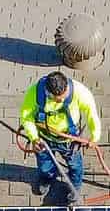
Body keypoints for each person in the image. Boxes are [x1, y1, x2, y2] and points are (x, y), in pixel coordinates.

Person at [16, 69, 102, 203]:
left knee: (75, 166)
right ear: (48, 92)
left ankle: (75, 185)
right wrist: (34, 137)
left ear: (67, 85)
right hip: (44, 139)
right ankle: (48, 178)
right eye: (58, 99)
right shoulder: (35, 93)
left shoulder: (80, 92)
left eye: (64, 96)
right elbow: (26, 117)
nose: (62, 100)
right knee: (44, 165)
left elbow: (92, 113)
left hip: (69, 140)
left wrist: (94, 137)